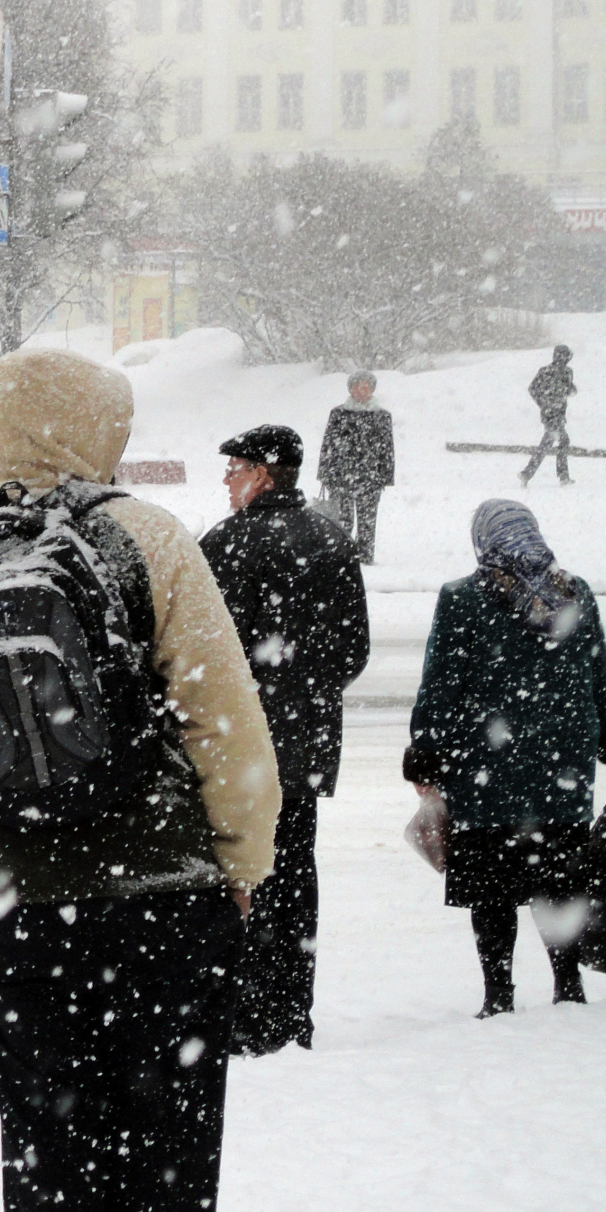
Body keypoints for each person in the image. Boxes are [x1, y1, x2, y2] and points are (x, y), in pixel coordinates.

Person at [0, 347, 279, 1212]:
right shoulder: (148, 541)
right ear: (103, 424)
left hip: (16, 918)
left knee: (45, 1142)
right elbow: (224, 730)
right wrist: (238, 864)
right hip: (165, 905)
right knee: (168, 1143)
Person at [201, 424, 370, 1056]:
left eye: (234, 468)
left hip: (236, 746)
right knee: (295, 872)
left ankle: (243, 1015)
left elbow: (195, 655)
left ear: (264, 474)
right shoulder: (330, 540)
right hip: (303, 746)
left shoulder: (223, 546)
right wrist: (304, 691)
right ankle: (292, 1011)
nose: (226, 481)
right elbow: (353, 652)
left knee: (237, 875)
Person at [406, 500, 606, 1017]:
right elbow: (599, 675)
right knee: (559, 879)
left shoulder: (464, 597)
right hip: (562, 769)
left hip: (485, 770)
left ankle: (498, 995)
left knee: (492, 887)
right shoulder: (574, 592)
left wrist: (426, 749)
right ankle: (568, 986)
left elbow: (442, 682)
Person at [317, 369, 395, 564]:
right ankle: (342, 558)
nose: (363, 389)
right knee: (342, 521)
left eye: (367, 386)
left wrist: (385, 476)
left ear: (372, 390)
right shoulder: (338, 413)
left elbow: (387, 448)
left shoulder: (382, 416)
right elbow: (328, 445)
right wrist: (325, 474)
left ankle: (365, 558)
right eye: (358, 385)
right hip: (340, 477)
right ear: (351, 389)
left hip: (370, 479)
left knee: (367, 522)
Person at [520, 344, 577, 487]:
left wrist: (545, 402)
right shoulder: (548, 371)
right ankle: (560, 476)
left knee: (551, 443)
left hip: (557, 413)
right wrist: (545, 404)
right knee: (559, 441)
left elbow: (569, 388)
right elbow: (533, 389)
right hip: (551, 414)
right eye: (566, 355)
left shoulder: (565, 372)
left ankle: (528, 474)